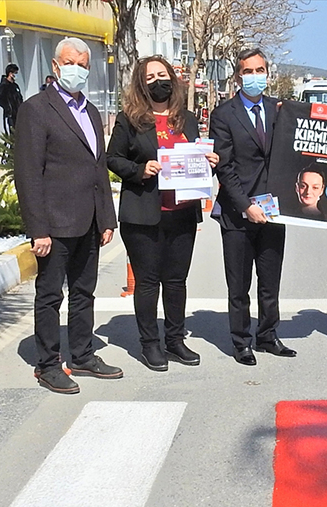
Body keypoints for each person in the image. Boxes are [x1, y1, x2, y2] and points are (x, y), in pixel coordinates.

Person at [14, 37, 121, 394]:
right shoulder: (36, 109)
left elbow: (98, 167)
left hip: (88, 221)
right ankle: (47, 364)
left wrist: (106, 218)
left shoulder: (90, 111)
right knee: (50, 295)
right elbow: (28, 173)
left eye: (83, 64)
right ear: (55, 66)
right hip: (54, 224)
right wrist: (38, 229)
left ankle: (82, 354)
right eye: (70, 62)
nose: (76, 69)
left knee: (83, 292)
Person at [106, 56, 218, 372]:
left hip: (182, 213)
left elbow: (197, 156)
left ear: (172, 77)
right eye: (150, 77)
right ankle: (150, 345)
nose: (158, 81)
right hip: (144, 215)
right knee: (147, 282)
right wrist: (140, 170)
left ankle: (175, 339)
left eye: (162, 74)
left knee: (176, 281)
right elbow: (112, 158)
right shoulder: (130, 119)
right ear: (141, 84)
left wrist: (208, 162)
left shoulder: (188, 118)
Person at [209, 47, 296, 366]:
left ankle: (269, 335)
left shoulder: (280, 110)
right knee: (239, 283)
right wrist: (245, 205)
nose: (255, 77)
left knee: (270, 280)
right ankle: (241, 340)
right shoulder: (223, 114)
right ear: (238, 76)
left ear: (268, 74)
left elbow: (298, 154)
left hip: (274, 210)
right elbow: (225, 166)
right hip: (237, 211)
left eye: (260, 70)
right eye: (248, 71)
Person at [0, 63, 23, 133]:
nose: (16, 75)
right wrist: (9, 108)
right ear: (10, 74)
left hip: (18, 115)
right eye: (15, 73)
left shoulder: (15, 86)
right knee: (11, 134)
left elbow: (19, 98)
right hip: (10, 115)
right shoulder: (3, 86)